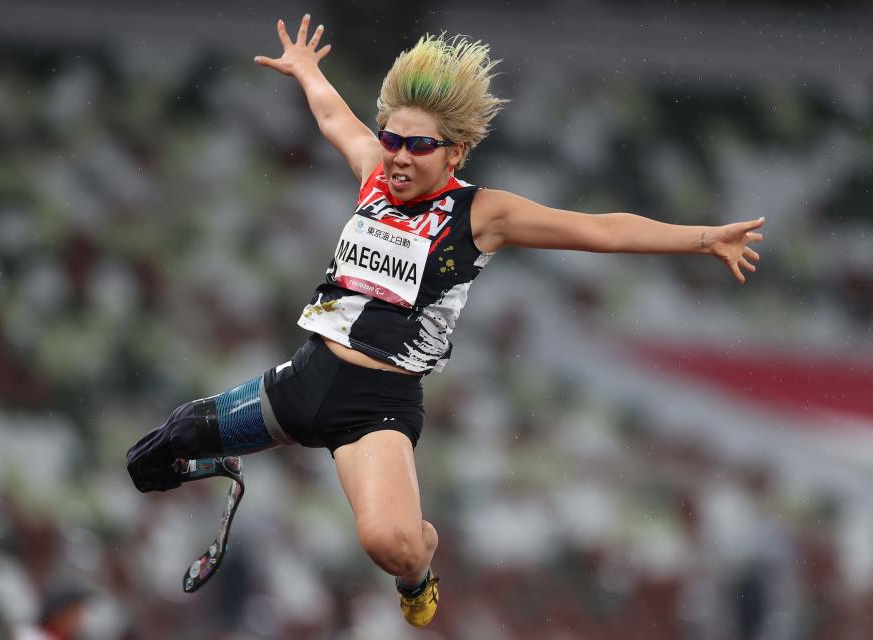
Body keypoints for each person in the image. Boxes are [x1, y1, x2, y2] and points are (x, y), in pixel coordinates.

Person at [126, 14, 765, 628]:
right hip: (306, 376)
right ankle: (217, 465)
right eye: (392, 139)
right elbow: (333, 118)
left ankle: (418, 570)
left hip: (376, 403)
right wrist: (305, 71)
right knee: (158, 451)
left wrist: (703, 238)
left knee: (391, 546)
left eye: (419, 146)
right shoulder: (375, 179)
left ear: (454, 153)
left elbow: (600, 230)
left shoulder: (481, 214)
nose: (400, 156)